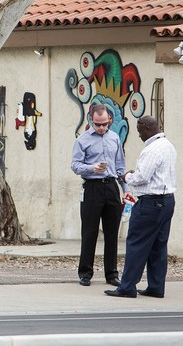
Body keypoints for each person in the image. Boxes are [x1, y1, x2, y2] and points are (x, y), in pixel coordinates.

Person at [105, 115, 177, 298]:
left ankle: (127, 286)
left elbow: (141, 178)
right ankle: (156, 287)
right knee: (158, 246)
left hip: (150, 203)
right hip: (167, 201)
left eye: (139, 131)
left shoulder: (152, 150)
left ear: (147, 129)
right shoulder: (168, 145)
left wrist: (127, 177)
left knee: (136, 244)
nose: (138, 135)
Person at [71, 104, 128, 287]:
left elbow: (120, 166)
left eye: (105, 124)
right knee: (90, 231)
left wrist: (126, 190)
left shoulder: (114, 138)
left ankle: (111, 274)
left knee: (112, 233)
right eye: (98, 124)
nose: (102, 128)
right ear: (91, 120)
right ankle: (85, 272)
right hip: (92, 187)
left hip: (111, 186)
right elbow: (75, 165)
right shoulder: (82, 140)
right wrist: (91, 168)